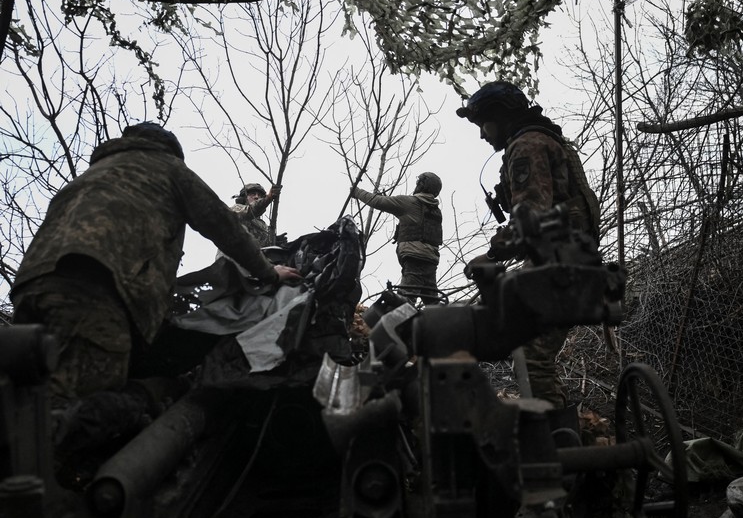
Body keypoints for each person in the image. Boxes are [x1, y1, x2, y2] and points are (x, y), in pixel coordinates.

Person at [10, 122, 301, 472]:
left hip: (32, 286)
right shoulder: (167, 168)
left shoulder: (94, 174)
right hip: (100, 290)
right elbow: (225, 227)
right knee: (67, 419)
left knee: (30, 393)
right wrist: (269, 273)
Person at [457, 81, 600, 408]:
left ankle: (554, 445)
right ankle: (561, 429)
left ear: (501, 115)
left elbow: (530, 219)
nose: (482, 134)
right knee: (528, 345)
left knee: (531, 352)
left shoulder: (527, 146)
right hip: (566, 259)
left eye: (483, 123)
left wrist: (492, 253)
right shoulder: (543, 138)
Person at [352, 173, 443, 305]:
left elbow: (377, 201)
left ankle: (399, 325)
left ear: (422, 185)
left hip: (414, 259)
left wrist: (357, 192)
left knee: (404, 303)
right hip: (431, 260)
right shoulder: (435, 210)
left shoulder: (410, 203)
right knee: (433, 304)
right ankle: (442, 323)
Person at [230, 182, 281, 248]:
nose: (256, 197)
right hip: (231, 254)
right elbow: (249, 211)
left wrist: (274, 241)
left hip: (248, 256)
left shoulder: (263, 226)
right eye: (252, 194)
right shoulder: (236, 209)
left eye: (259, 195)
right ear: (244, 198)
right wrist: (268, 198)